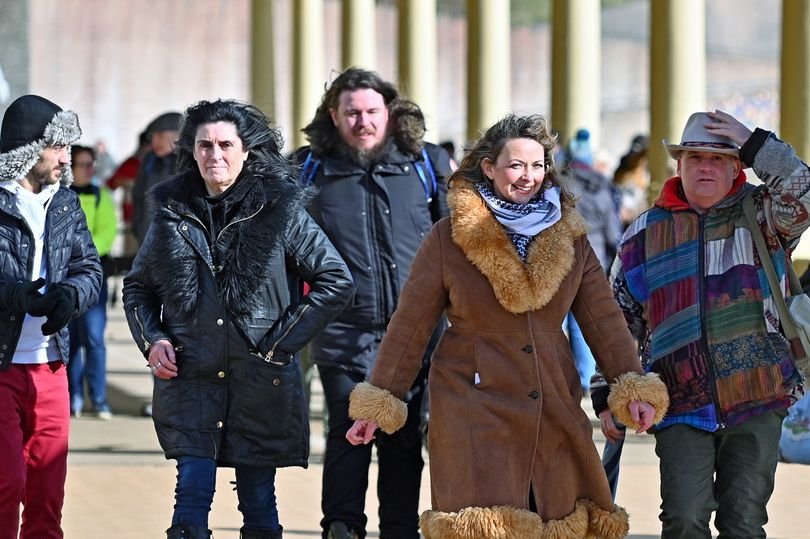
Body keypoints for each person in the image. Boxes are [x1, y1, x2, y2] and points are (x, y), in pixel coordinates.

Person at [346, 114, 669, 538]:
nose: (528, 176)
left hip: (550, 394)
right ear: (489, 168)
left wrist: (630, 385)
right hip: (472, 401)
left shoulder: (569, 236)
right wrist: (380, 401)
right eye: (516, 165)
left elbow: (603, 319)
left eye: (538, 166)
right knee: (485, 525)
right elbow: (410, 326)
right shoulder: (449, 237)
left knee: (559, 514)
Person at [122, 99, 354, 539]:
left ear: (246, 151)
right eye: (205, 145)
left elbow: (335, 280)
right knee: (190, 497)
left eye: (226, 144)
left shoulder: (279, 209)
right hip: (191, 377)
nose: (216, 155)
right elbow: (138, 288)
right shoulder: (171, 212)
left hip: (258, 381)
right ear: (191, 151)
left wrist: (278, 342)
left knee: (258, 498)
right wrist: (152, 339)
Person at [610, 110, 810, 538]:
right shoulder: (643, 233)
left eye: (718, 157)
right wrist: (613, 393)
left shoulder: (764, 214)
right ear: (678, 165)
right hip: (679, 403)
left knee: (744, 523)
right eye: (695, 156)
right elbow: (616, 319)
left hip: (759, 394)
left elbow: (807, 192)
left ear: (736, 166)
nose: (705, 165)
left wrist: (756, 143)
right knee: (683, 520)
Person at [295, 67, 453, 539]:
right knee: (348, 435)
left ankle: (399, 530)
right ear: (333, 116)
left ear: (389, 112)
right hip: (343, 330)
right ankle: (341, 526)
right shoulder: (308, 170)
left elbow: (457, 244)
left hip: (417, 333)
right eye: (352, 113)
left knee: (403, 442)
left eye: (371, 112)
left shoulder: (425, 165)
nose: (363, 122)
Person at [0, 95, 102, 538]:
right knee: (7, 483)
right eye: (58, 146)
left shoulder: (65, 204)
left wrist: (71, 296)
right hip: (2, 369)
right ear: (28, 148)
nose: (68, 157)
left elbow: (89, 269)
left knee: (46, 491)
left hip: (51, 365)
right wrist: (12, 296)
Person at [563, 128, 622, 393]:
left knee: (557, 318)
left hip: (560, 257)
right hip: (593, 259)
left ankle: (559, 374)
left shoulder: (560, 184)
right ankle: (586, 377)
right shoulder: (603, 186)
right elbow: (613, 233)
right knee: (582, 321)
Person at [67, 144, 118, 419]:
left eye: (91, 164)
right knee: (70, 339)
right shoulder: (59, 196)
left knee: (94, 338)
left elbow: (106, 233)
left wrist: (78, 254)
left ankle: (99, 398)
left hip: (92, 277)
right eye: (83, 165)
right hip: (65, 279)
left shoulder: (102, 196)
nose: (89, 170)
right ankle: (72, 396)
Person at [131, 110, 181, 245]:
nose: (154, 142)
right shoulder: (149, 161)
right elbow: (138, 197)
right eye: (152, 137)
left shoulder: (193, 162)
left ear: (178, 136)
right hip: (148, 242)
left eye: (160, 136)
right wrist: (138, 228)